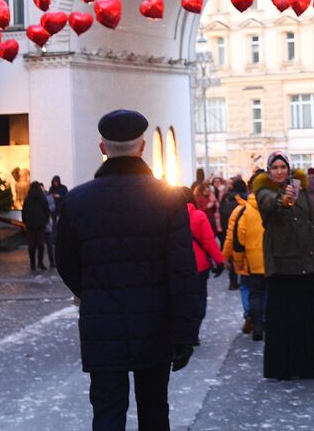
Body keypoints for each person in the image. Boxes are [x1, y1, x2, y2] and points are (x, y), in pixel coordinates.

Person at [56, 110, 201, 431]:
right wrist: (186, 332)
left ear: (102, 148)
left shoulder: (77, 201)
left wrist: (93, 292)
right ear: (142, 147)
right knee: (154, 410)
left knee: (107, 412)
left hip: (102, 324)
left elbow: (65, 262)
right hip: (155, 321)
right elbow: (182, 269)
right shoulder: (168, 198)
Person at [252, 152, 314, 379]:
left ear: (289, 168)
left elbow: (313, 220)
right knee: (281, 319)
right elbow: (269, 203)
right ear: (269, 171)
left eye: (283, 167)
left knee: (304, 316)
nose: (279, 171)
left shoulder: (300, 189)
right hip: (281, 263)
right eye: (274, 167)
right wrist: (283, 199)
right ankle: (281, 367)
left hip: (307, 261)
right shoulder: (263, 190)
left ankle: (306, 365)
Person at [182, 185, 224, 344]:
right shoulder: (199, 216)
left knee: (182, 299)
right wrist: (219, 261)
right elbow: (208, 241)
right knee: (199, 299)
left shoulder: (168, 216)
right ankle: (194, 331)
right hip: (199, 266)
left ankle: (183, 331)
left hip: (178, 267)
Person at [224, 181, 265, 339]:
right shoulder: (271, 208)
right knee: (264, 291)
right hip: (268, 261)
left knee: (248, 288)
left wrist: (229, 257)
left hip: (249, 261)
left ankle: (250, 315)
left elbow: (233, 238)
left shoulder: (241, 210)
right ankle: (262, 320)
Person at [22, 180, 51, 272]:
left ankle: (32, 263)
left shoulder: (27, 199)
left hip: (30, 225)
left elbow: (24, 212)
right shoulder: (43, 198)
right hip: (40, 224)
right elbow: (47, 211)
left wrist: (25, 222)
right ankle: (40, 263)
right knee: (40, 244)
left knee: (31, 245)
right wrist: (45, 220)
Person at [47, 175, 69, 269]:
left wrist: (59, 196)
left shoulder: (63, 188)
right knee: (54, 225)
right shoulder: (51, 188)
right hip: (54, 210)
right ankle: (54, 239)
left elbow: (66, 196)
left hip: (60, 209)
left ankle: (59, 238)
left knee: (60, 225)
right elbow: (49, 197)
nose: (56, 183)